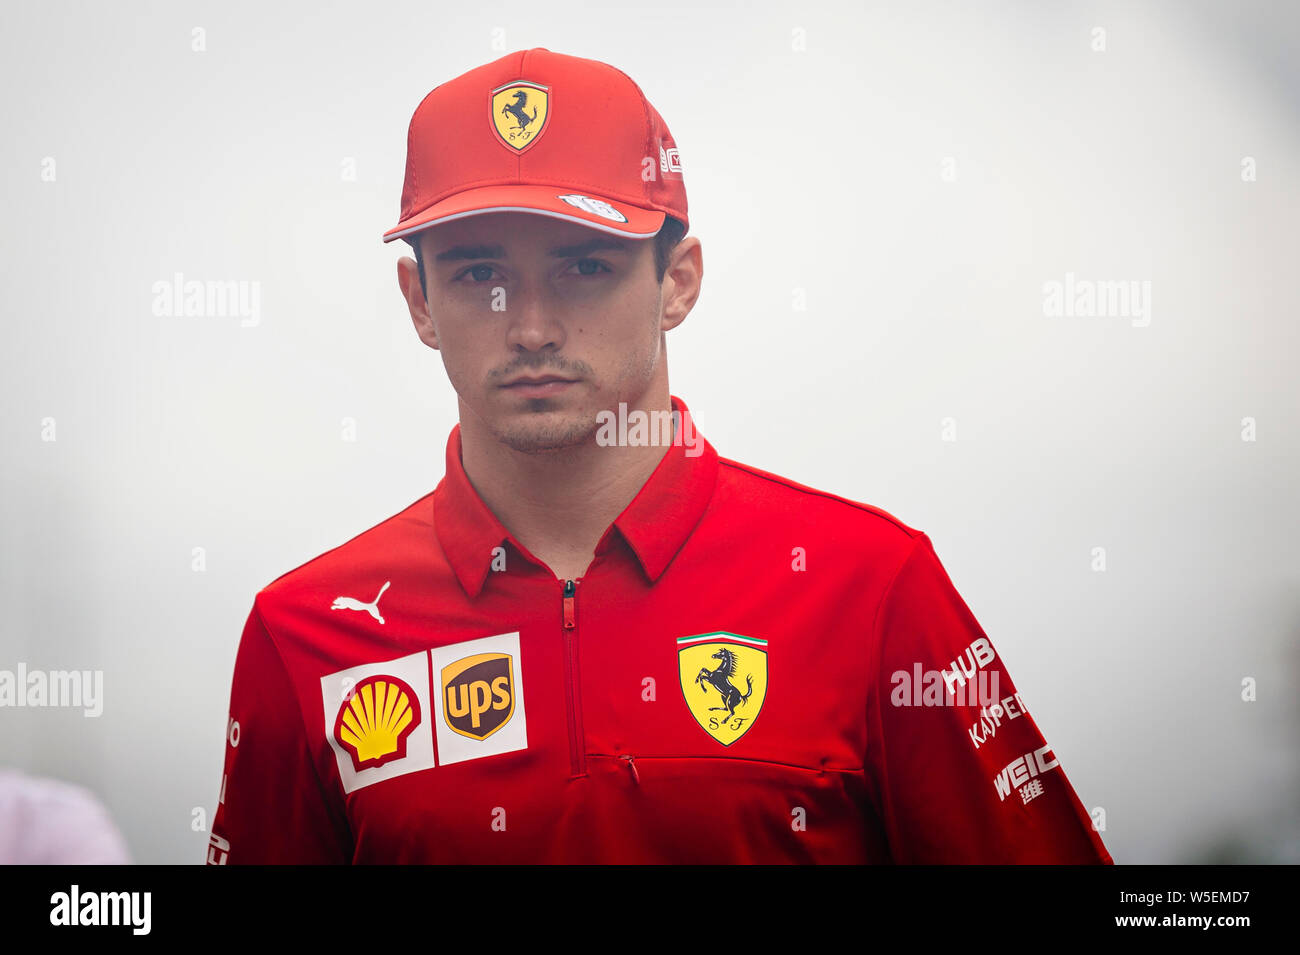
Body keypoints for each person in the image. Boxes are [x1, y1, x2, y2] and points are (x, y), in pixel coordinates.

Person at [207, 47, 1113, 864]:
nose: (530, 326)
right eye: (480, 273)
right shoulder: (306, 637)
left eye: (584, 265)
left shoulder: (872, 588)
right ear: (419, 300)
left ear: (676, 282)